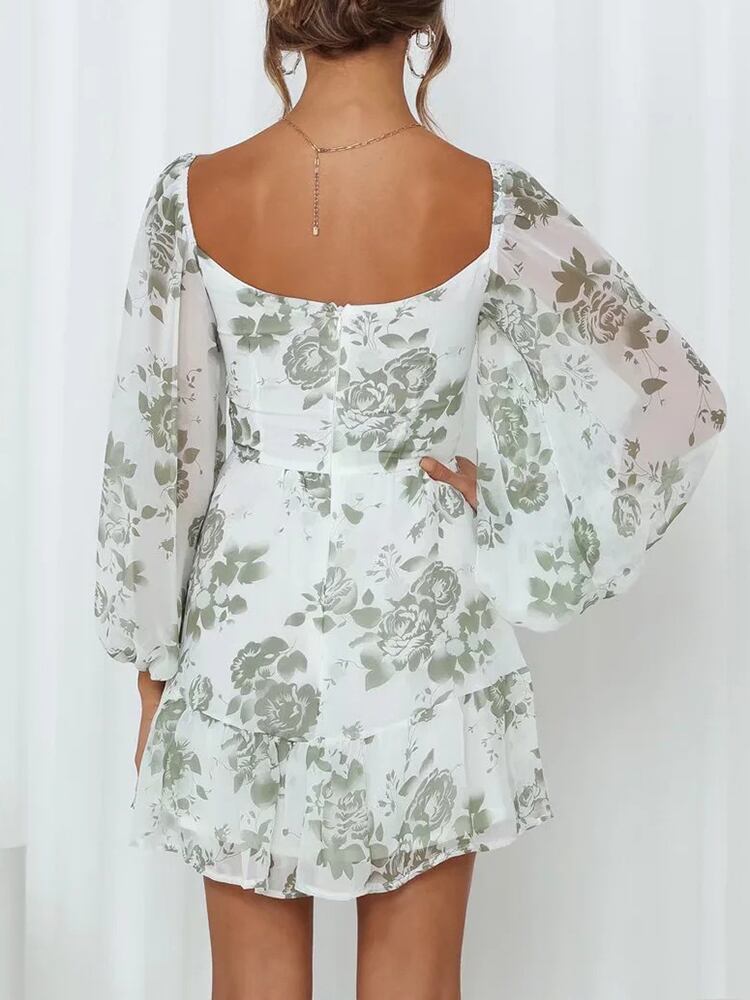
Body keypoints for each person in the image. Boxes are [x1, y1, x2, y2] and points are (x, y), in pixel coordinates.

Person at [93, 1, 728, 997]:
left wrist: (152, 672)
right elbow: (675, 397)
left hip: (244, 632)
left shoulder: (195, 197)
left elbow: (157, 460)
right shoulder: (491, 201)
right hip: (424, 630)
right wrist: (514, 505)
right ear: (422, 14)